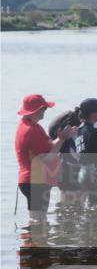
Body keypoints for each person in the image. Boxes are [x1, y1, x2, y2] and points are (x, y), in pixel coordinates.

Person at [15, 94, 78, 225]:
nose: (45, 111)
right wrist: (62, 139)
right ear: (37, 110)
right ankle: (34, 244)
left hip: (27, 179)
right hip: (36, 181)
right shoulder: (32, 130)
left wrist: (62, 137)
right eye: (44, 108)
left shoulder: (24, 125)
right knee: (39, 222)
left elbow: (46, 150)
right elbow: (48, 158)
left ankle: (30, 243)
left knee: (35, 221)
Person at [47, 107, 83, 203]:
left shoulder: (63, 142)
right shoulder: (68, 142)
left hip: (64, 174)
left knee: (67, 200)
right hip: (67, 174)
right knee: (75, 198)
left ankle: (63, 215)